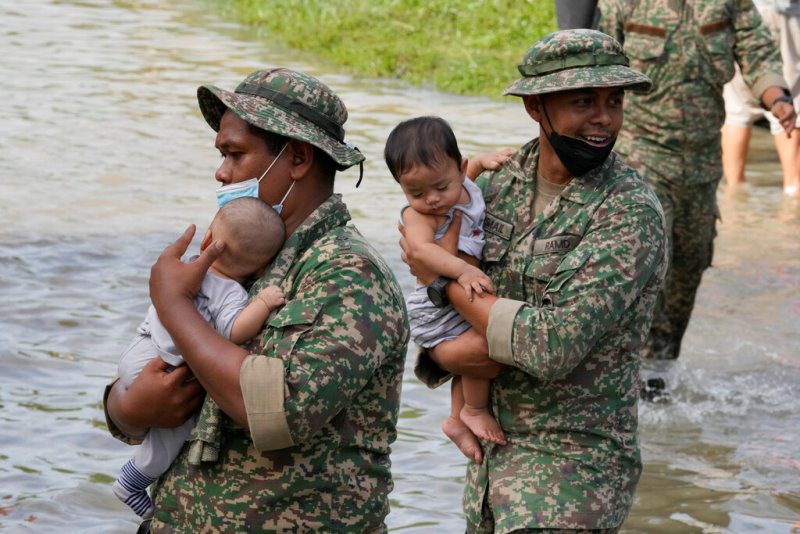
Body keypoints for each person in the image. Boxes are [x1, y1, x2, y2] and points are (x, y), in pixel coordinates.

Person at [103, 67, 409, 532]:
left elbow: (276, 412)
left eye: (235, 154)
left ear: (299, 158)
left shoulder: (348, 272)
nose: (221, 172)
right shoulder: (239, 252)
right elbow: (148, 367)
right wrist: (127, 410)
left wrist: (175, 305)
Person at [404, 30, 667, 532]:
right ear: (535, 106)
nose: (604, 119)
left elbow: (552, 345)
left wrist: (441, 279)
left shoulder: (629, 210)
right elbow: (435, 320)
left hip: (571, 478)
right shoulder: (493, 185)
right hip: (488, 472)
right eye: (584, 101)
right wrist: (443, 339)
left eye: (615, 101)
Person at [112, 197, 285, 519]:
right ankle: (132, 480)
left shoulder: (186, 265)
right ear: (260, 268)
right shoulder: (232, 291)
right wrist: (262, 302)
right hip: (167, 367)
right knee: (176, 428)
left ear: (207, 240)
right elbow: (235, 330)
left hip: (139, 352)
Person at [384, 116, 511, 462]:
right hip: (435, 305)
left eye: (441, 187)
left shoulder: (464, 188)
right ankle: (472, 408)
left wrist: (485, 161)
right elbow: (421, 253)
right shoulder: (418, 217)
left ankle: (456, 420)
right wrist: (460, 271)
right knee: (483, 347)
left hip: (454, 298)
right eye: (417, 192)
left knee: (482, 340)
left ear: (461, 168)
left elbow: (466, 181)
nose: (434, 200)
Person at [721, 0, 800, 197]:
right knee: (790, 101)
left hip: (736, 14)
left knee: (737, 109)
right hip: (782, 12)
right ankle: (792, 198)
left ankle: (735, 200)